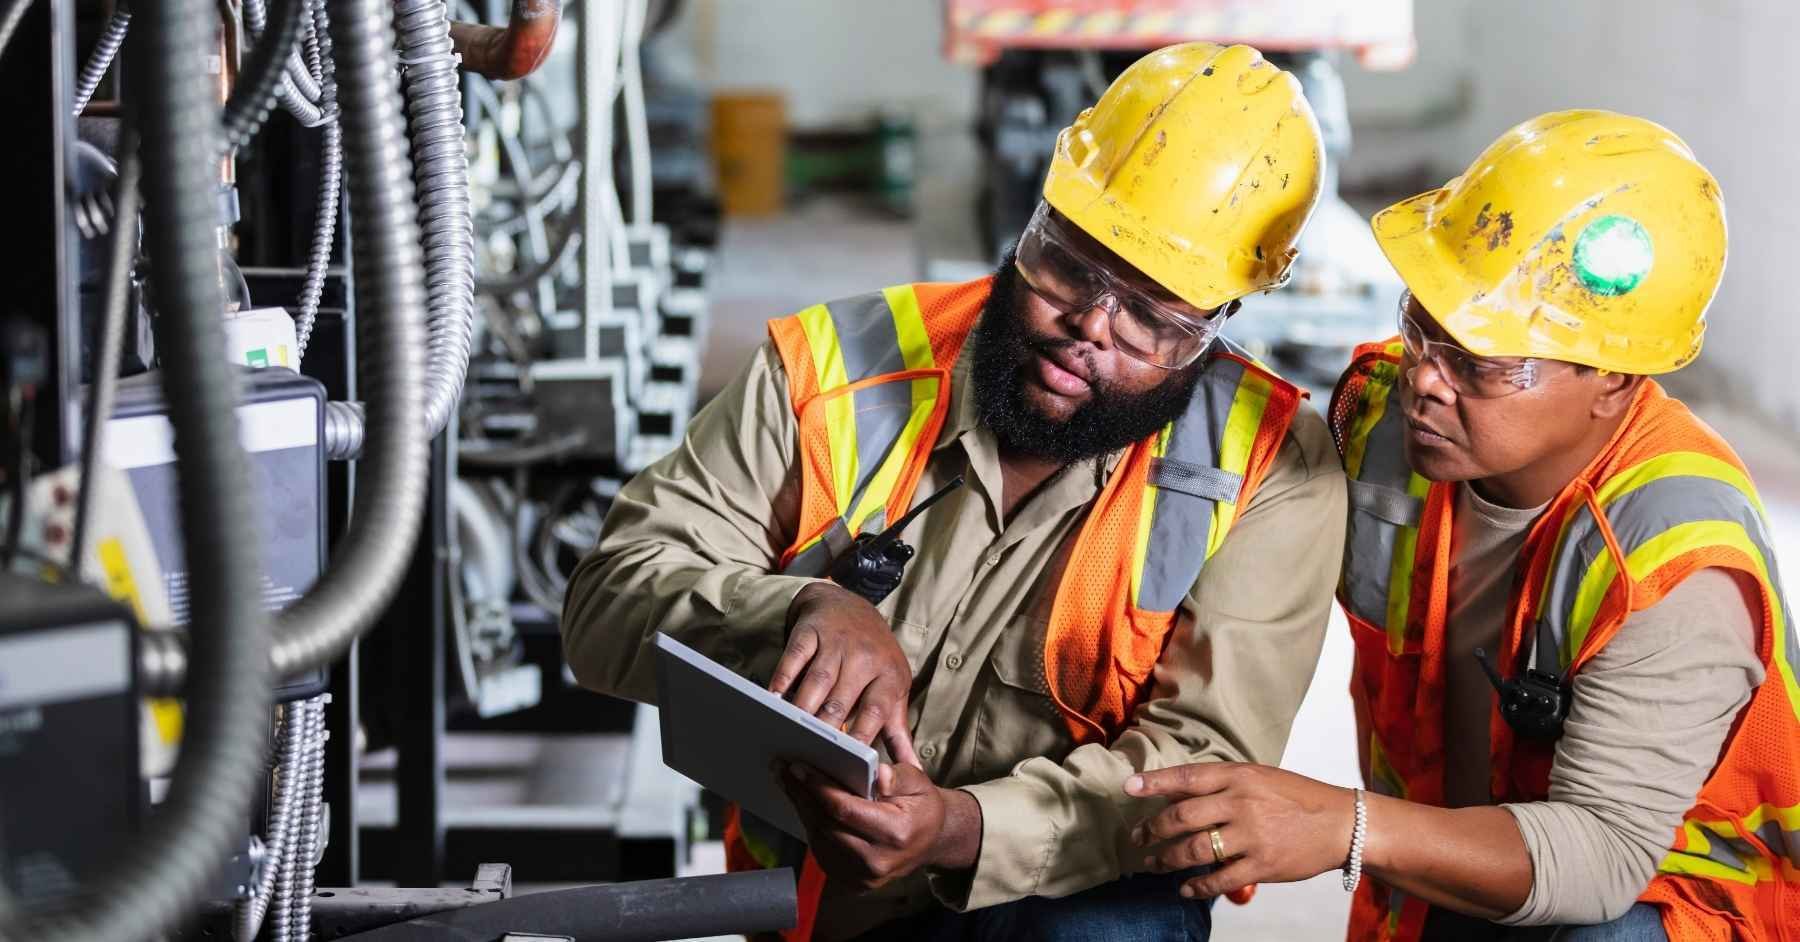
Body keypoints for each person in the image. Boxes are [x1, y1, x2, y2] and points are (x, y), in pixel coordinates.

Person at [561, 42, 1346, 941]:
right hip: (812, 892)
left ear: (1217, 324)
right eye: (1072, 264)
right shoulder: (835, 369)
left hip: (1062, 901)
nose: (1090, 327)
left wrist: (960, 830)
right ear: (1035, 214)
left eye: (1153, 317)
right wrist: (794, 610)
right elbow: (606, 599)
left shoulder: (1271, 472)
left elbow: (1205, 768)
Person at [1123, 110, 1796, 941]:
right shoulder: (1379, 429)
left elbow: (1602, 855)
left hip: (1677, 906)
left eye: (1478, 361)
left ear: (1613, 382)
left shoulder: (1672, 556)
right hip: (1455, 872)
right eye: (1421, 327)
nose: (1426, 382)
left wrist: (1341, 824)